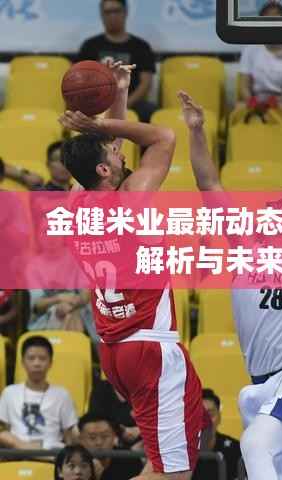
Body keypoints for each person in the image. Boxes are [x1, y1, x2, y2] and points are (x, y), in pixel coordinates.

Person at [179, 91, 282, 480]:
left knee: (255, 445)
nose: (275, 208)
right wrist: (197, 131)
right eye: (276, 204)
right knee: (279, 470)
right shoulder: (246, 245)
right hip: (264, 386)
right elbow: (209, 183)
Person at [59, 60, 205, 480]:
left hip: (114, 350)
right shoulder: (132, 198)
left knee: (159, 466)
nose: (121, 152)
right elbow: (164, 137)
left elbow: (106, 154)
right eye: (113, 152)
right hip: (150, 348)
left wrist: (118, 94)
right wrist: (98, 123)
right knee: (174, 474)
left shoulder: (75, 201)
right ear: (104, 169)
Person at [78, 0, 156, 122]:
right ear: (101, 15)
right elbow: (80, 80)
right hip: (97, 103)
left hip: (131, 103)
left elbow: (145, 83)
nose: (112, 16)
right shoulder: (90, 46)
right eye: (107, 12)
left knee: (150, 111)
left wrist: (124, 104)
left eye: (116, 11)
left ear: (126, 12)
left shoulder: (141, 47)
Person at [0, 336, 77, 450]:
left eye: (42, 358)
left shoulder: (62, 395)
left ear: (50, 363)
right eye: (31, 358)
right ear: (22, 362)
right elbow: (4, 431)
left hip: (52, 453)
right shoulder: (9, 393)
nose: (36, 363)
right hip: (18, 454)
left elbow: (69, 435)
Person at [238, 1, 282, 111]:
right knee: (239, 109)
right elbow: (243, 87)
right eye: (268, 19)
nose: (273, 23)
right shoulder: (250, 49)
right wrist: (252, 101)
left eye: (276, 18)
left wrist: (276, 101)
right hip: (255, 100)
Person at [193, 389, 241, 480]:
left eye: (210, 415)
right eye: (199, 415)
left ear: (219, 417)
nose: (206, 422)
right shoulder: (178, 454)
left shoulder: (236, 450)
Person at [78, 412, 143, 480]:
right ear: (81, 439)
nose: (99, 442)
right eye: (92, 437)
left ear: (114, 436)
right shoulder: (74, 464)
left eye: (105, 436)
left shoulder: (130, 460)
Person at [88, 379, 142, 450]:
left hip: (143, 444)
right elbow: (94, 420)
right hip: (110, 444)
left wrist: (140, 430)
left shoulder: (146, 389)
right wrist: (116, 433)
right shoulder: (101, 389)